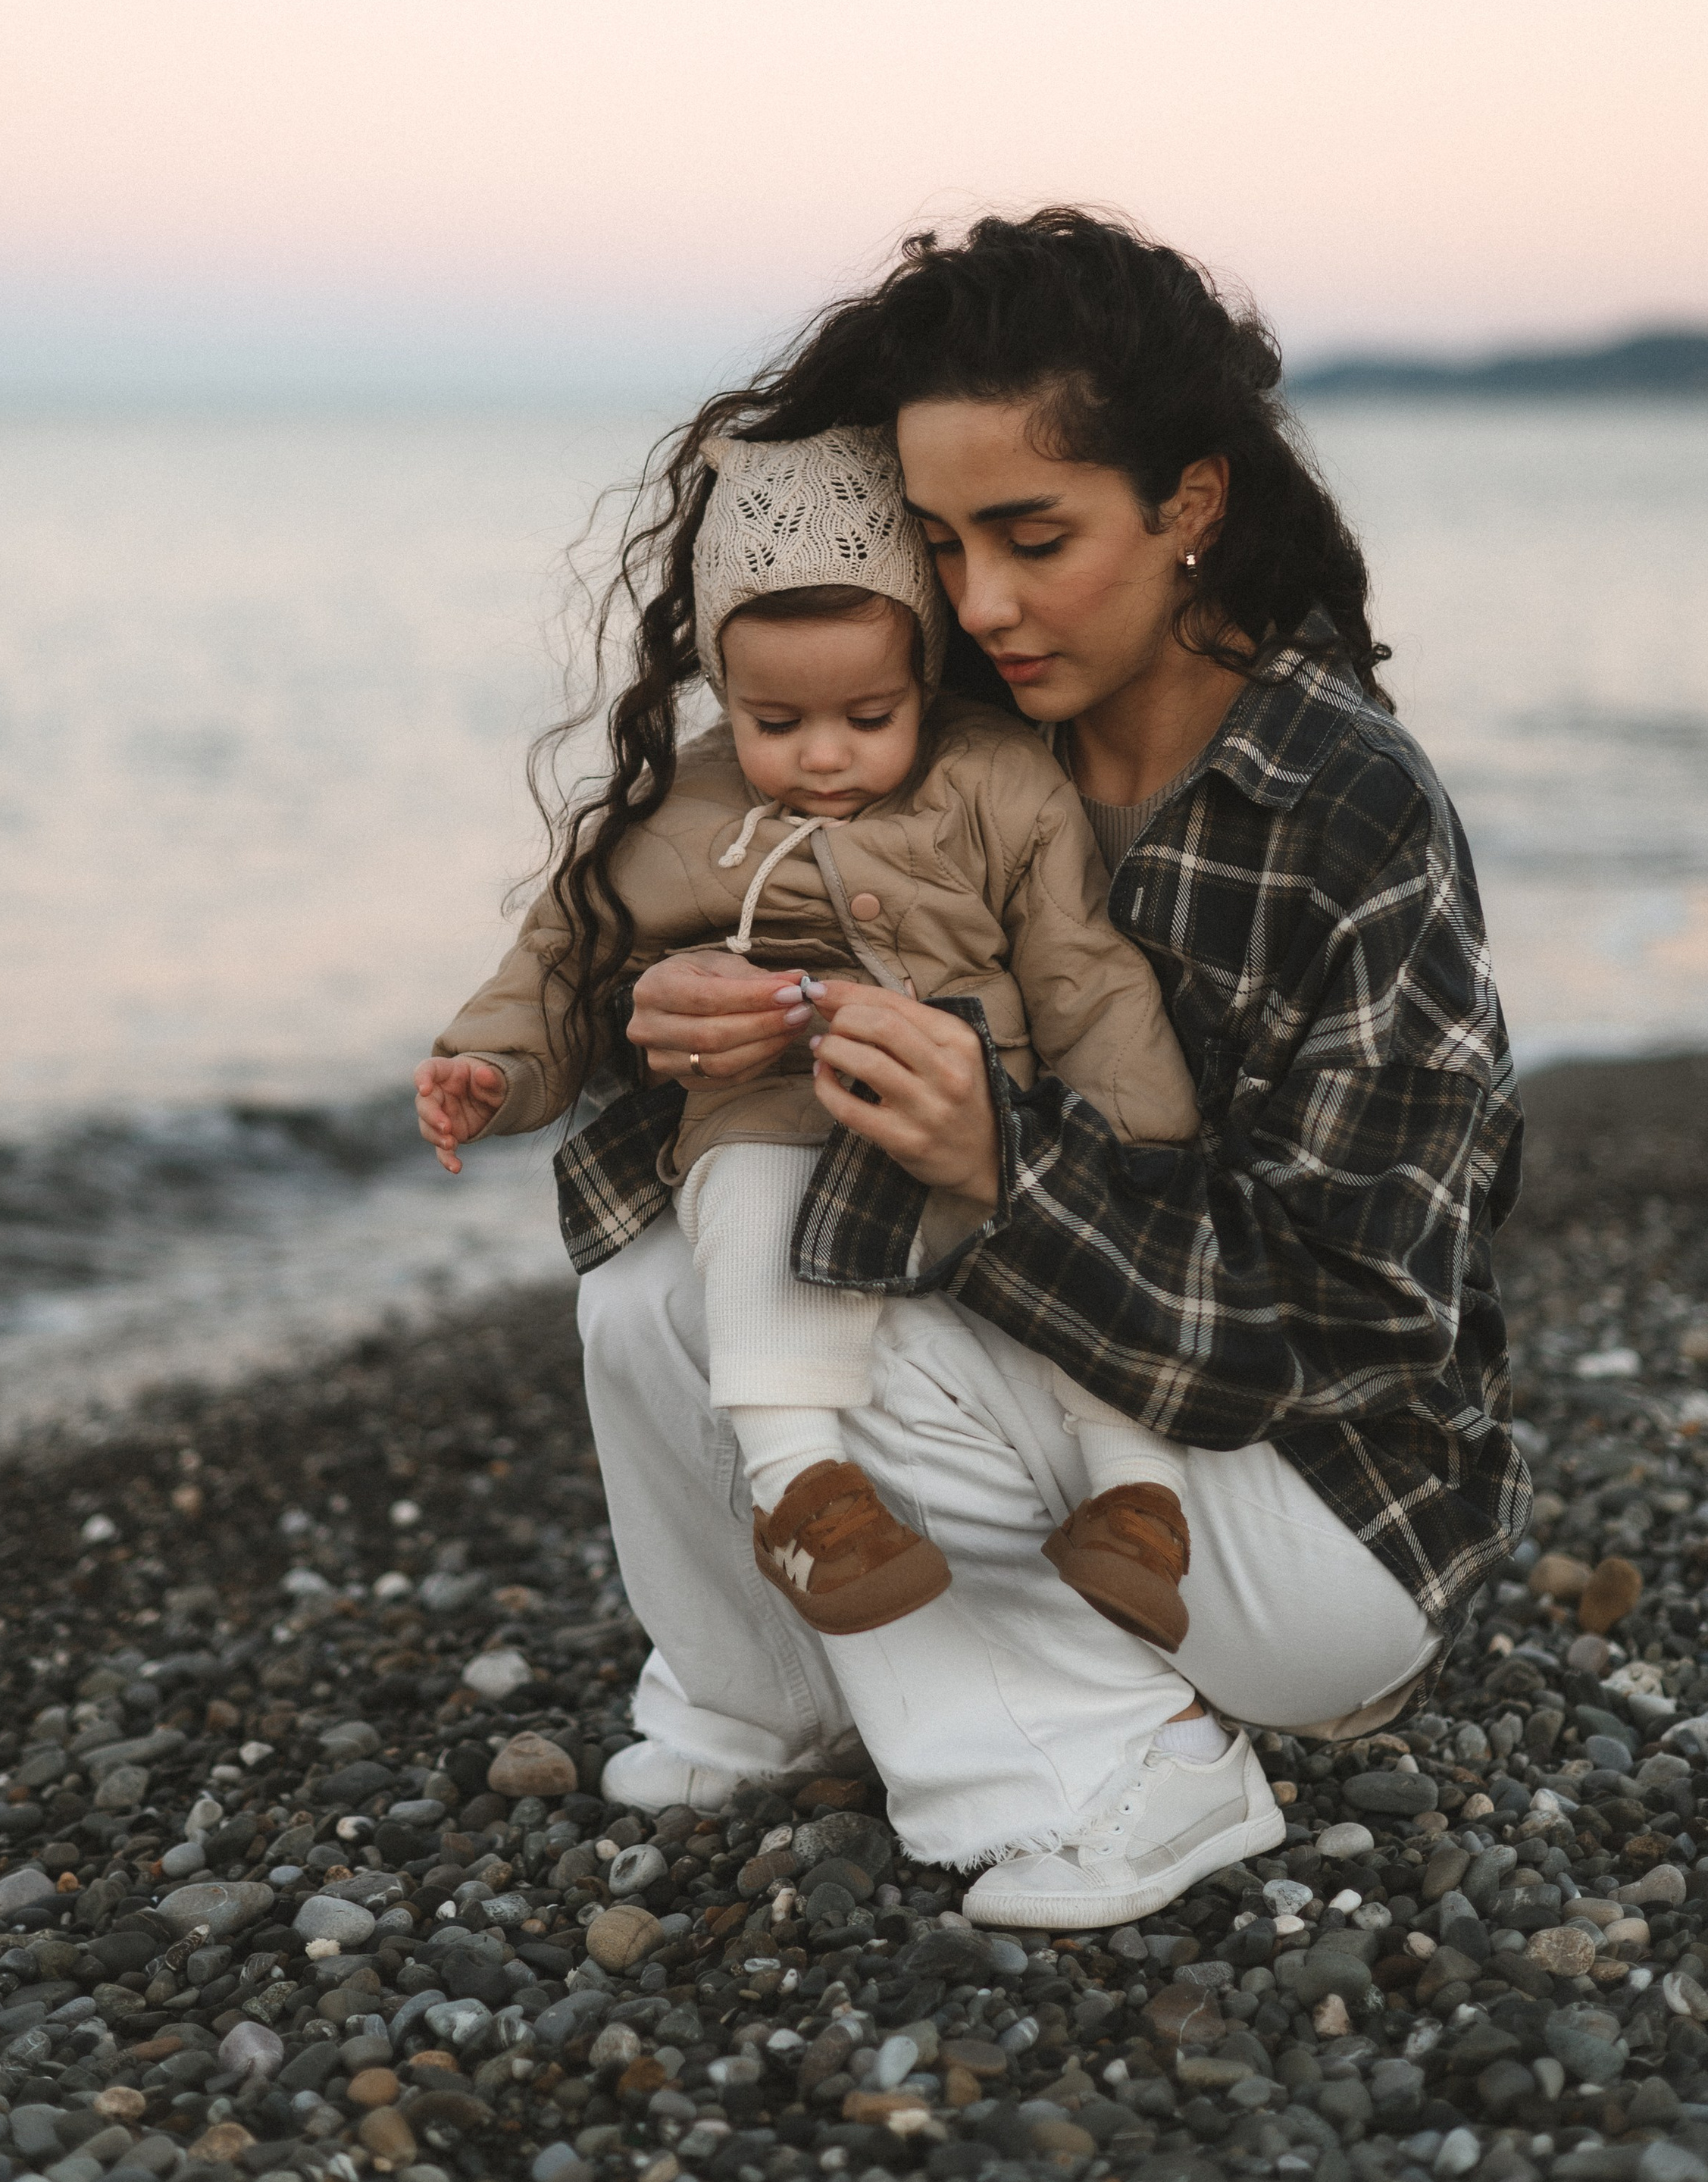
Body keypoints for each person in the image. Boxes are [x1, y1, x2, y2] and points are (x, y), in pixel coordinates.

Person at [566, 206, 1528, 1931]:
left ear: (1188, 507)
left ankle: (1133, 1772)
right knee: (650, 1286)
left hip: (1315, 1518)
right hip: (1086, 1442)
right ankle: (777, 1694)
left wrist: (996, 1163)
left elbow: (1341, 1323)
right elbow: (723, 1171)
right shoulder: (923, 749)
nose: (978, 602)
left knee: (857, 1312)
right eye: (935, 542)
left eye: (1030, 534)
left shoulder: (1344, 813)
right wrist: (697, 1014)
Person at [418, 421, 1205, 1656]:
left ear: (926, 673)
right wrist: (493, 1069)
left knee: (1077, 1268)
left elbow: (1085, 971)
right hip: (777, 1103)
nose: (824, 756)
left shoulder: (996, 779)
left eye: (870, 714)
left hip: (980, 1113)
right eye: (777, 722)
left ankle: (1139, 1502)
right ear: (723, 696)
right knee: (745, 1203)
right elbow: (560, 961)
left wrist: (1138, 1135)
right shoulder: (679, 808)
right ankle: (801, 1490)